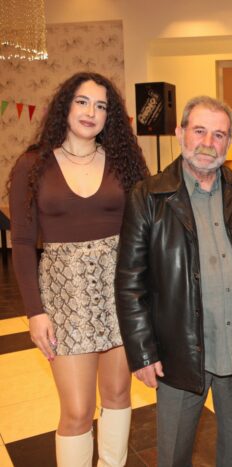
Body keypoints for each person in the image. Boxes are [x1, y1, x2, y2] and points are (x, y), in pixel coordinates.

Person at [115, 96, 232, 467]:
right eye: (200, 131)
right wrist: (142, 352)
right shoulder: (148, 196)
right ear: (181, 133)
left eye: (219, 134)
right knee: (174, 453)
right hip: (179, 351)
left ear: (229, 142)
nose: (208, 143)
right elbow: (130, 283)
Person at [9, 72, 149, 467]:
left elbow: (145, 230)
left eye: (101, 106)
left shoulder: (124, 162)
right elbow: (22, 243)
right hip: (64, 297)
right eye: (83, 102)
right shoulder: (32, 164)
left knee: (118, 395)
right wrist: (35, 312)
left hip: (120, 292)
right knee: (76, 411)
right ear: (65, 106)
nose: (91, 112)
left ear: (110, 116)